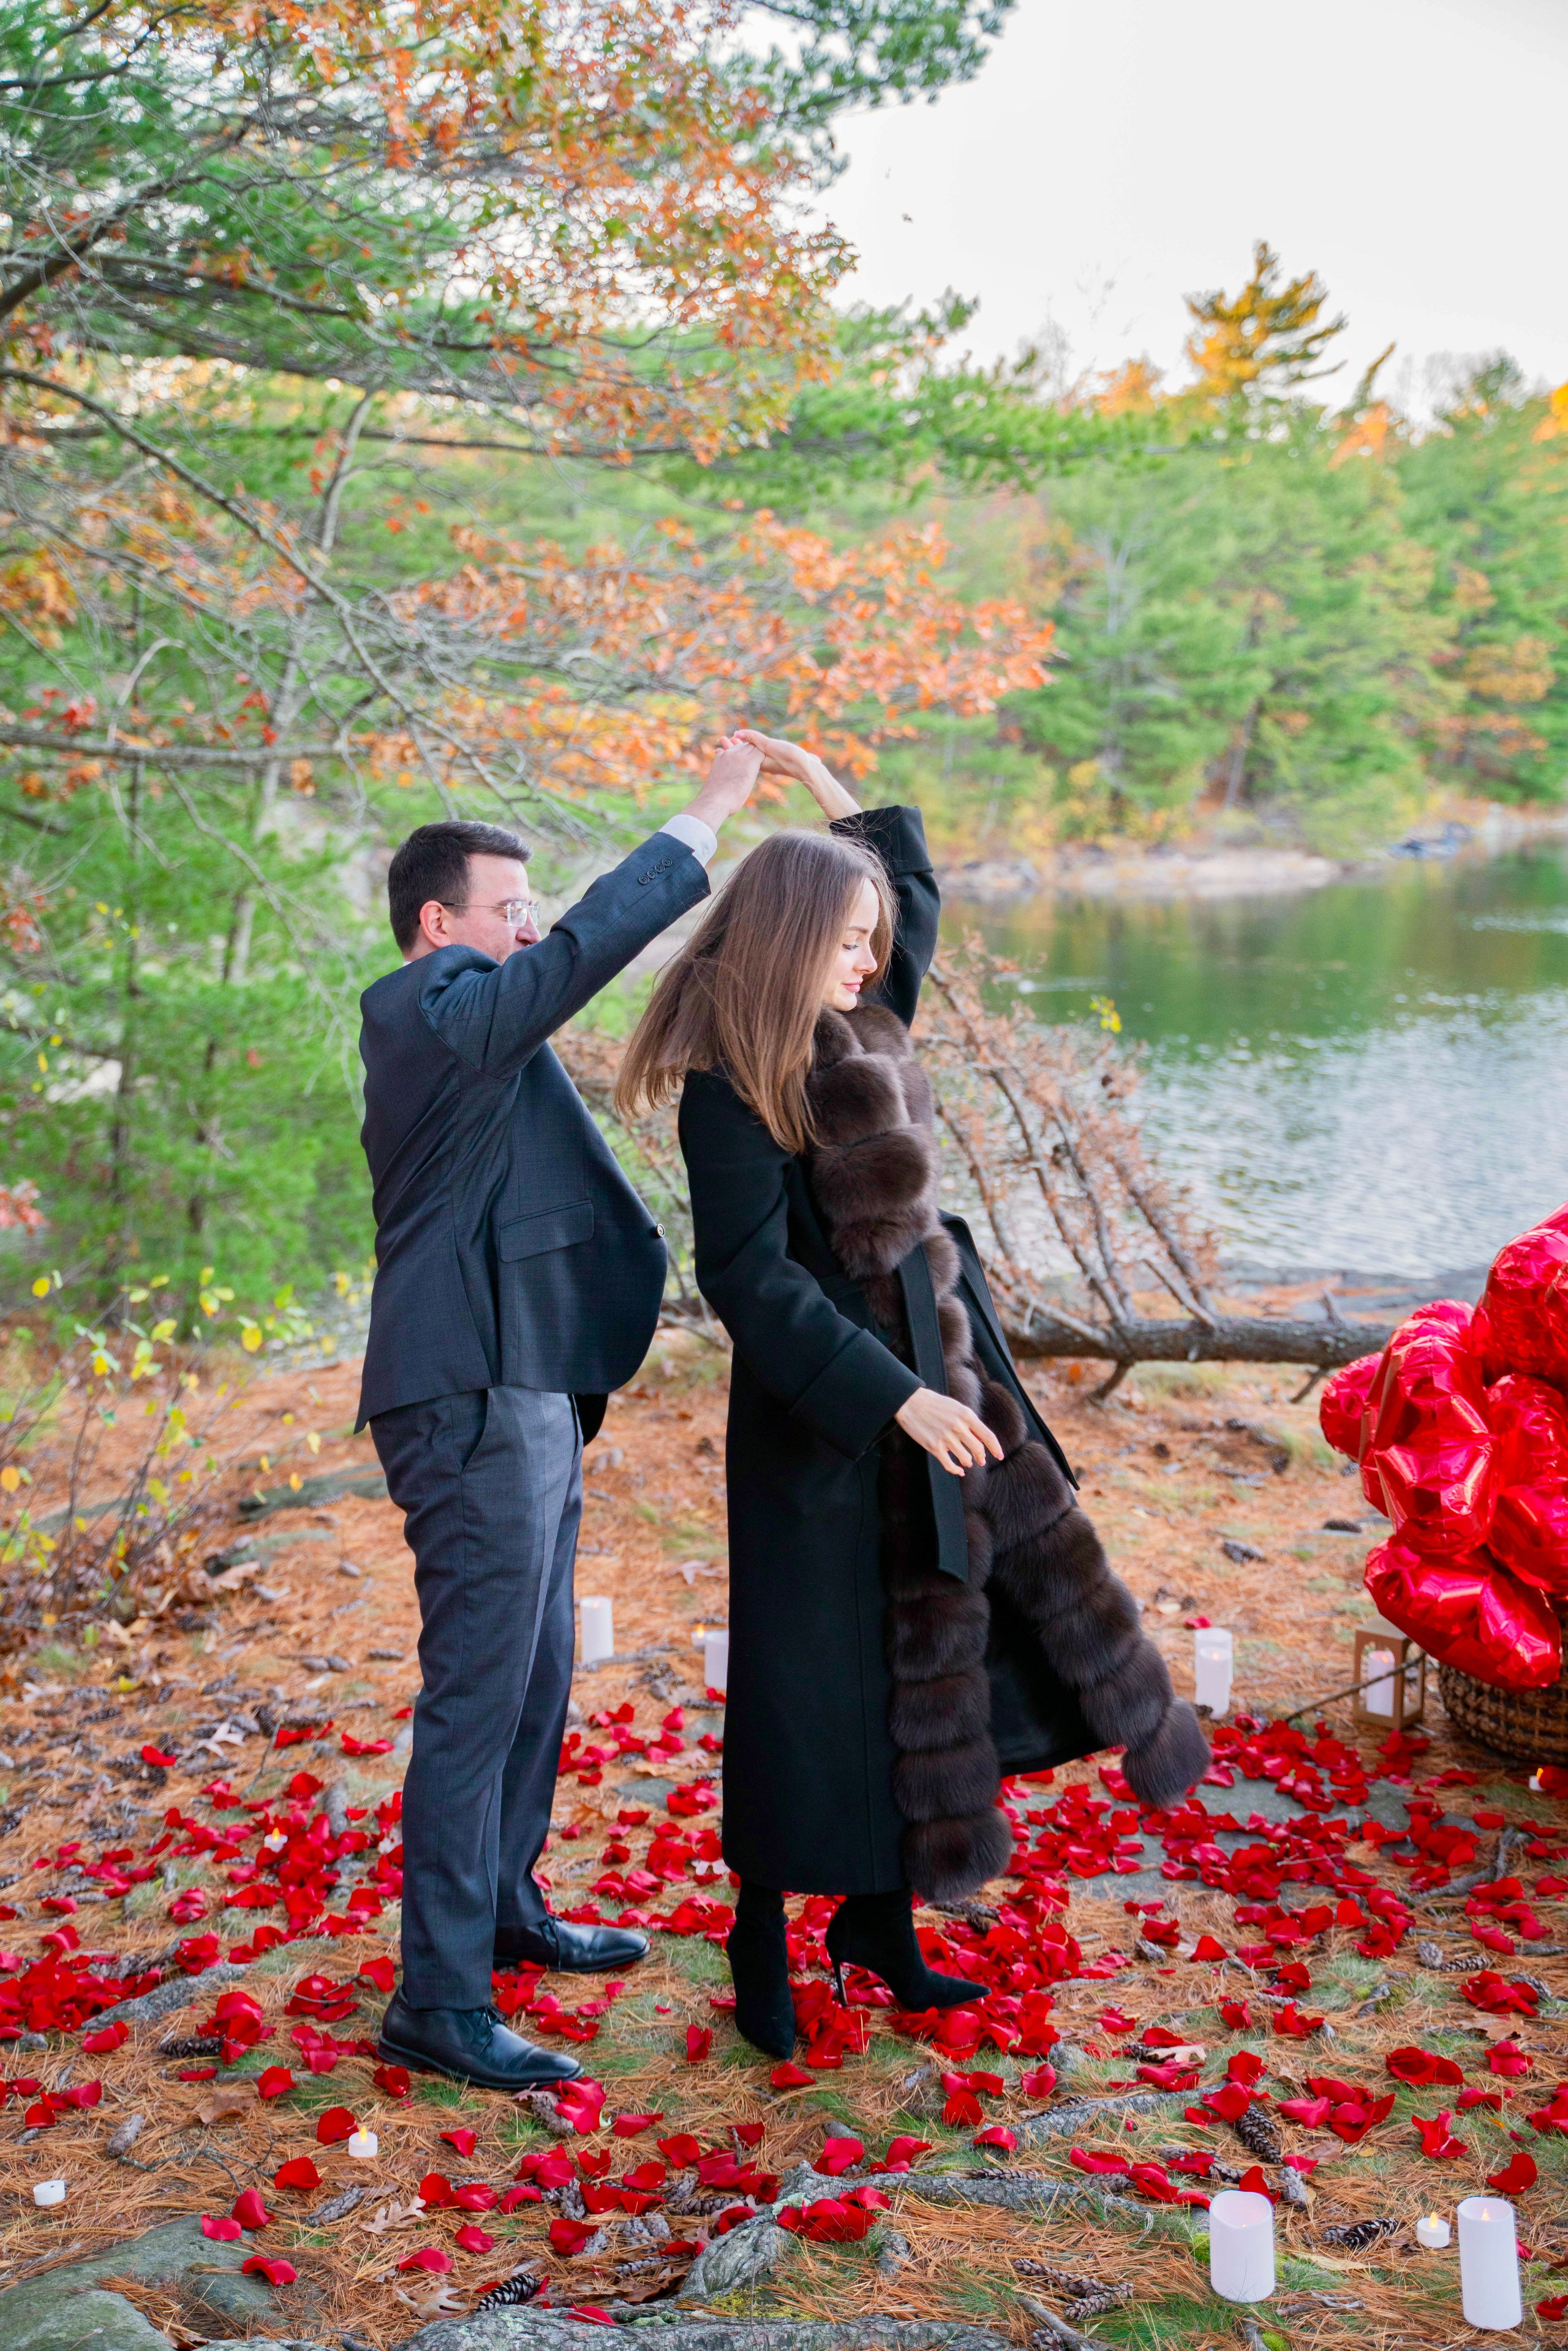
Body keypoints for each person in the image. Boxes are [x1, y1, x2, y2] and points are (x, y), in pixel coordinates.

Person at [616, 736, 1207, 2055]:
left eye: (872, 939)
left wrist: (834, 793)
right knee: (804, 1679)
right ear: (785, 940)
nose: (871, 960)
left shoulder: (864, 1032)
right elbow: (747, 1281)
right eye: (846, 939)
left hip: (942, 1372)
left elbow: (914, 915)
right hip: (820, 1420)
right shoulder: (732, 1077)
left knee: (931, 1641)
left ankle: (879, 1920)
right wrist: (887, 1396)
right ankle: (760, 1926)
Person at [358, 737, 764, 2089]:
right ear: (440, 925)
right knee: (478, 1690)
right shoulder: (427, 1008)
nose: (526, 931)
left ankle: (506, 1909)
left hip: (524, 1380)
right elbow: (577, 955)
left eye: (528, 911)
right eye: (505, 909)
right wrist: (700, 820)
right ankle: (438, 1997)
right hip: (466, 1387)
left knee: (535, 1671)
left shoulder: (480, 1025)